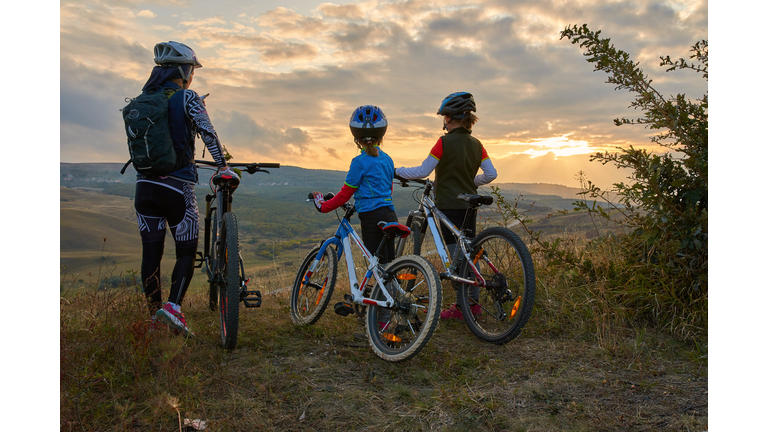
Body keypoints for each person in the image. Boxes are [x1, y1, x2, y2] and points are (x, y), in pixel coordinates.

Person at [133, 41, 238, 335]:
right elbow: (207, 132)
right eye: (191, 69)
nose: (191, 75)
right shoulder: (187, 97)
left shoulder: (144, 99)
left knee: (150, 254)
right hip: (177, 188)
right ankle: (173, 309)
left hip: (144, 188)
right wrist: (222, 166)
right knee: (186, 252)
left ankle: (155, 316)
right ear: (183, 71)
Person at [395, 92, 497, 320]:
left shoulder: (444, 142)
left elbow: (423, 172)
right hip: (469, 205)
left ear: (450, 118)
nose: (444, 121)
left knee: (457, 257)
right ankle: (472, 304)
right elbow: (491, 173)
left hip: (448, 204)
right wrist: (473, 182)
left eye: (444, 117)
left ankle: (465, 308)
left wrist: (397, 171)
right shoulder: (477, 144)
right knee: (469, 253)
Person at [311, 105, 398, 266]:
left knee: (376, 266)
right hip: (390, 214)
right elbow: (389, 189)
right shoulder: (387, 159)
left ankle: (382, 291)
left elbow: (345, 195)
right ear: (381, 136)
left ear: (357, 139)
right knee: (389, 265)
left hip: (371, 217)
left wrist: (323, 206)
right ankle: (392, 291)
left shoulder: (359, 162)